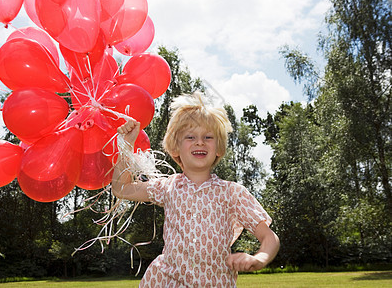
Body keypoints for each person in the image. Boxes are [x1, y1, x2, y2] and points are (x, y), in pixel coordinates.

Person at [112, 91, 280, 287]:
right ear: (175, 148)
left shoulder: (233, 193)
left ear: (219, 148)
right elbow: (122, 188)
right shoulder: (168, 186)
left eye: (208, 137)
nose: (200, 141)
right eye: (190, 137)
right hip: (167, 281)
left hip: (214, 282)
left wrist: (259, 258)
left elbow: (269, 237)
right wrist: (126, 144)